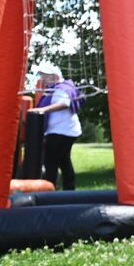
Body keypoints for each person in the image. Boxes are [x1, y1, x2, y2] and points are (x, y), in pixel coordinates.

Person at [30, 62, 81, 191]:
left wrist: (42, 110)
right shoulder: (54, 89)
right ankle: (69, 191)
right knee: (64, 161)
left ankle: (50, 191)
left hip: (61, 132)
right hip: (62, 131)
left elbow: (64, 103)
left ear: (54, 76)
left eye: (45, 76)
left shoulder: (62, 88)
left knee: (50, 162)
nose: (43, 79)